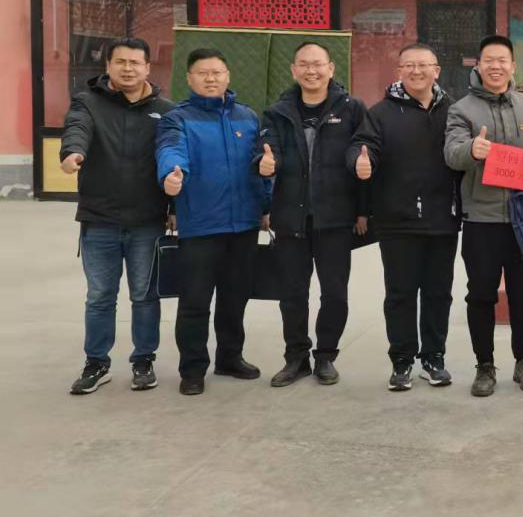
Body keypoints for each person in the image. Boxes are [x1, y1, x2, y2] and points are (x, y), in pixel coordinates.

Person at [60, 38, 174, 395]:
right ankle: (97, 363)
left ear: (147, 67)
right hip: (100, 219)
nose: (128, 68)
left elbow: (173, 157)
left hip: (147, 221)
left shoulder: (166, 111)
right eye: (120, 62)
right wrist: (72, 153)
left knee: (145, 295)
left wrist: (174, 210)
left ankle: (143, 360)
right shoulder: (87, 102)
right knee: (100, 296)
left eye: (135, 62)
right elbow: (77, 128)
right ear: (108, 66)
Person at [443, 35, 523, 397]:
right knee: (481, 295)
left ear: (512, 65)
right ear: (478, 65)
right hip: (481, 219)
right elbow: (451, 154)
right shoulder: (461, 109)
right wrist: (472, 150)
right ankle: (485, 365)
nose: (496, 66)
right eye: (488, 60)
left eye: (502, 60)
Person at [156, 48, 270, 396]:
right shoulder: (177, 118)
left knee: (235, 298)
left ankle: (229, 358)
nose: (210, 78)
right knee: (195, 302)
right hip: (201, 225)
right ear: (189, 79)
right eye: (202, 73)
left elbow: (260, 162)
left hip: (244, 224)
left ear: (227, 76)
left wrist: (266, 202)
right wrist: (171, 174)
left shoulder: (247, 117)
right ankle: (192, 369)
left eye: (217, 72)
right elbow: (170, 150)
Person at [351, 42, 462, 392]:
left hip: (443, 218)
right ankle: (402, 360)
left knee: (438, 293)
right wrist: (359, 161)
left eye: (423, 65)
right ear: (399, 71)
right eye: (409, 65)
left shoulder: (454, 111)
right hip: (397, 219)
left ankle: (433, 357)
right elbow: (362, 147)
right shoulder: (381, 113)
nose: (417, 71)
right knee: (400, 293)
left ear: (436, 71)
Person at [257, 41, 368, 388]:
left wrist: (363, 208)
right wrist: (264, 165)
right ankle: (296, 357)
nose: (311, 71)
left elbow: (361, 150)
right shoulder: (277, 112)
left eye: (318, 64)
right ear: (294, 70)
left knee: (334, 293)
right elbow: (266, 151)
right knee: (292, 294)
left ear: (331, 69)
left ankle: (325, 356)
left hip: (335, 217)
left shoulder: (351, 109)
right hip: (290, 217)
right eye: (304, 64)